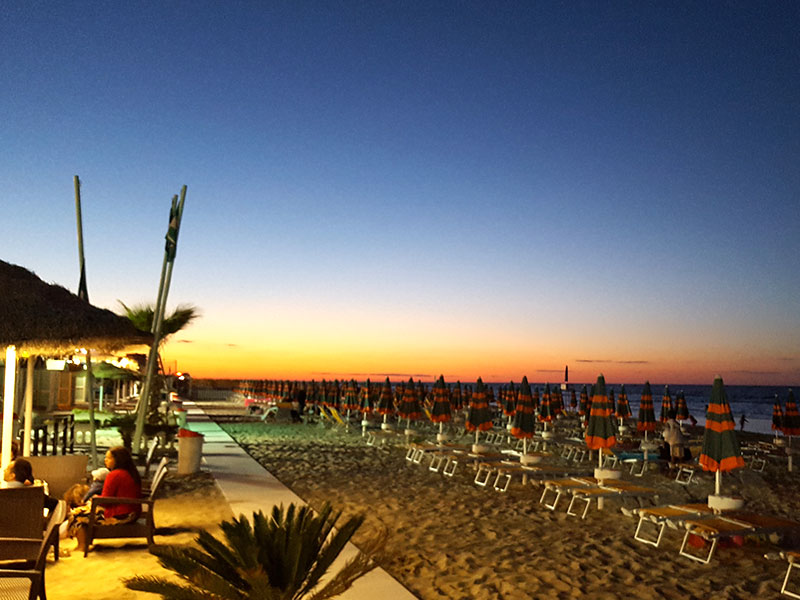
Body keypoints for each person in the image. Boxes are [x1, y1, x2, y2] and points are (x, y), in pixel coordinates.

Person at [69, 446, 142, 552]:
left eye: (108, 458)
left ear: (117, 460)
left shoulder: (114, 475)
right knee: (85, 510)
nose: (105, 460)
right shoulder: (129, 472)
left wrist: (95, 499)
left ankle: (82, 545)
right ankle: (85, 543)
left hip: (122, 514)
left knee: (77, 515)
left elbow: (105, 502)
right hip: (132, 511)